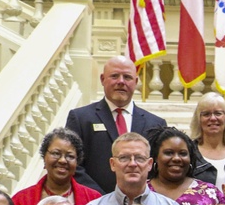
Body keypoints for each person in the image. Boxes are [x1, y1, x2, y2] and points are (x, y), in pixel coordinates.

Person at [67, 55, 167, 194]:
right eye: (114, 76)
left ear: (136, 81)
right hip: (94, 204)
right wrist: (99, 199)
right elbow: (73, 164)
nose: (121, 82)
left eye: (127, 77)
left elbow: (159, 169)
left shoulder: (156, 124)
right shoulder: (81, 118)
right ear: (102, 79)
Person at [12, 128, 102, 205]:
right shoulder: (20, 200)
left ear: (77, 163)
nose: (62, 160)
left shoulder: (94, 199)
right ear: (44, 158)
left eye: (70, 156)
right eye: (55, 153)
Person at [147, 126, 225, 205]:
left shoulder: (210, 192)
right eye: (169, 153)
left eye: (183, 153)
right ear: (155, 158)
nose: (176, 158)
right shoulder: (141, 191)